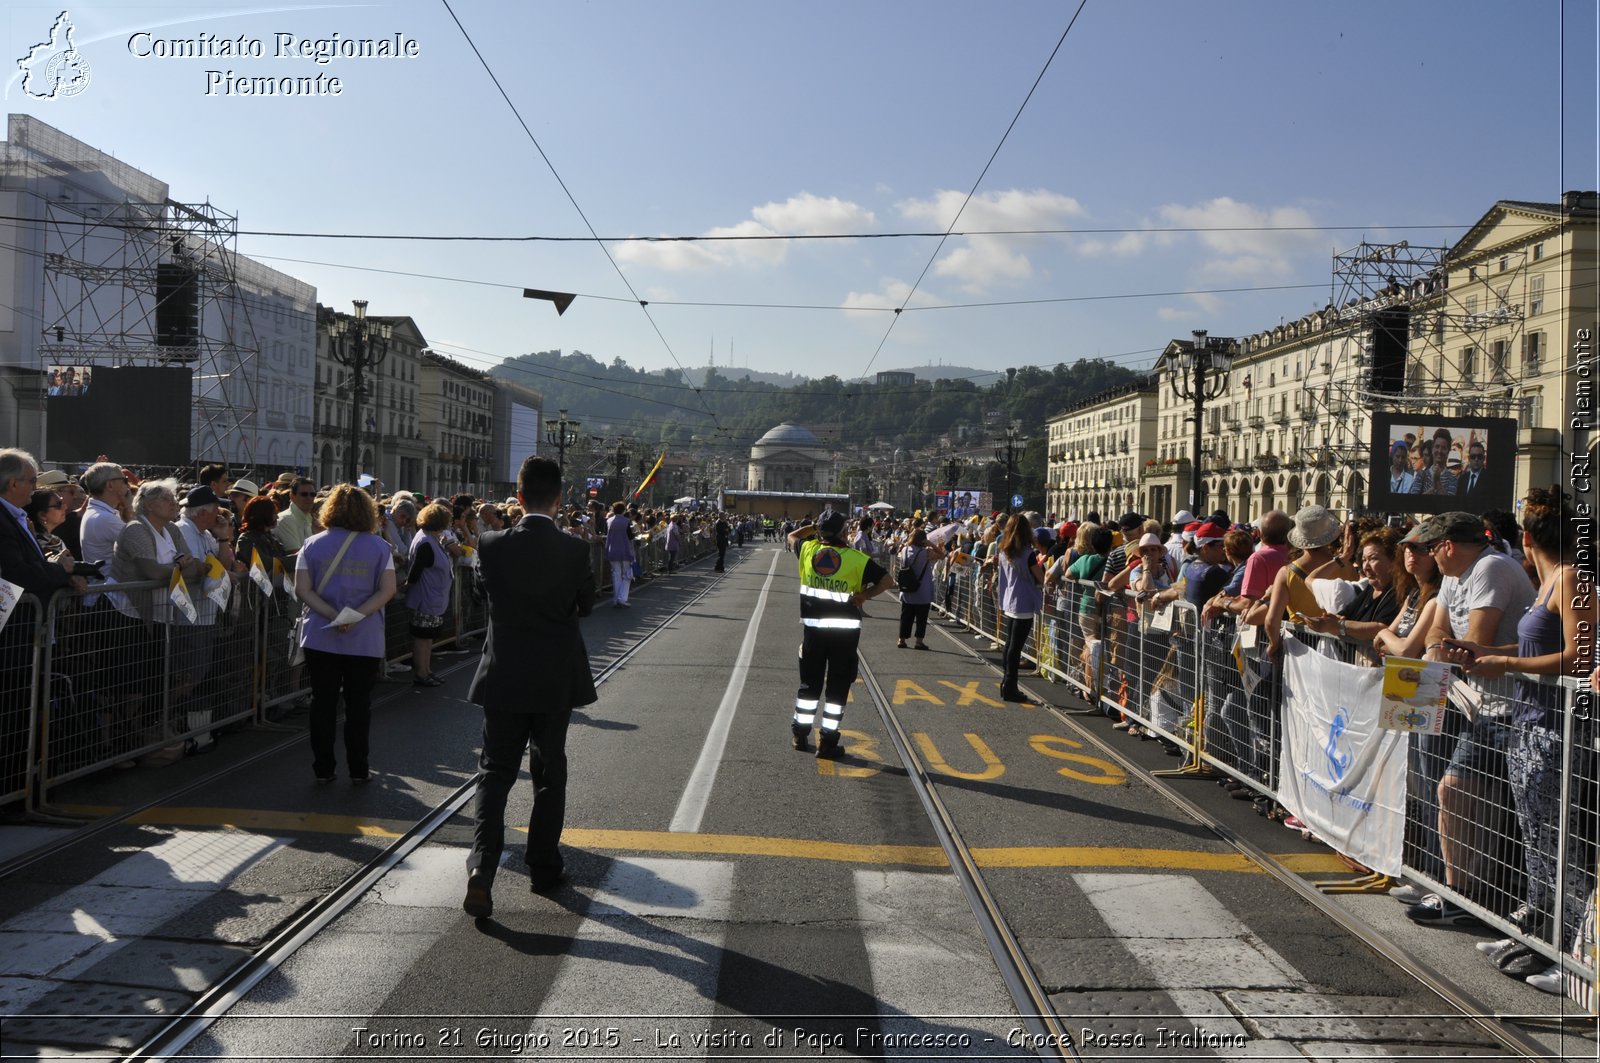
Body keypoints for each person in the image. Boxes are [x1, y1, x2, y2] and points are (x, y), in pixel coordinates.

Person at [1457, 489, 1596, 989]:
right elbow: (1540, 644)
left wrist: (1509, 662)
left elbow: (1579, 660)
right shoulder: (1548, 582)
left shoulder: (1571, 579)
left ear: (1527, 536)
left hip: (1557, 729)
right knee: (1536, 836)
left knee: (1559, 842)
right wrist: (1487, 651)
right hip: (1530, 721)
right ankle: (1538, 934)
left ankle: (1577, 959)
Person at [462, 457, 596, 918]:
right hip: (555, 679)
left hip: (503, 675)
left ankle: (482, 869)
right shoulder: (576, 551)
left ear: (518, 497)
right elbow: (587, 605)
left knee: (494, 773)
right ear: (558, 500)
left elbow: (482, 594)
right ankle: (543, 864)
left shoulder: (491, 544)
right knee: (549, 770)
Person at [1408, 511, 1537, 926]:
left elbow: (1476, 644)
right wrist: (1441, 647)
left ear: (1447, 546)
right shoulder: (1452, 576)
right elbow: (1436, 634)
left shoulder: (1491, 567)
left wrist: (1444, 647)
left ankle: (1474, 896)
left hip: (1508, 707)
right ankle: (1457, 890)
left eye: (1431, 548)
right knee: (1448, 788)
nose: (1429, 557)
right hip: (1473, 702)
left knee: (1466, 795)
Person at [294, 484, 396, 785]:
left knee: (322, 703)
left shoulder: (311, 544)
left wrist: (332, 615)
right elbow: (388, 590)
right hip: (364, 637)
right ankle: (359, 767)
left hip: (321, 634)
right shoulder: (380, 547)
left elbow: (302, 589)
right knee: (358, 705)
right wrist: (357, 615)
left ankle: (323, 767)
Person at [788, 511, 893, 756]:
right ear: (844, 532)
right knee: (836, 689)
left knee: (809, 685)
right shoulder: (857, 559)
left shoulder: (808, 550)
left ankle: (800, 735)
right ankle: (827, 742)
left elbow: (792, 535)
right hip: (844, 636)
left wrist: (815, 526)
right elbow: (888, 581)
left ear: (820, 533)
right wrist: (864, 596)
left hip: (813, 632)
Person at [982, 512, 1046, 704]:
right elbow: (1040, 578)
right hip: (1024, 601)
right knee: (1015, 647)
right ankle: (1010, 686)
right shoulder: (1027, 554)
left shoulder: (1004, 551)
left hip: (1010, 600)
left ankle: (1006, 682)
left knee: (1010, 644)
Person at [405, 501, 454, 688]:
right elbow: (415, 573)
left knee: (428, 638)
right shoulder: (426, 542)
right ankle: (421, 673)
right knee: (422, 638)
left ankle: (427, 670)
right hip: (425, 599)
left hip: (432, 599)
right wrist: (404, 587)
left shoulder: (430, 538)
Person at [895, 527, 943, 650]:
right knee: (921, 618)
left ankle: (902, 639)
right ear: (923, 540)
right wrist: (931, 544)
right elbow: (941, 555)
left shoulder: (905, 550)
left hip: (907, 589)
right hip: (922, 590)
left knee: (906, 616)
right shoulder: (925, 553)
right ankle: (918, 641)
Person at [275, 477, 319, 555]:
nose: (309, 498)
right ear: (292, 496)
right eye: (304, 494)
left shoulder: (309, 518)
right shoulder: (286, 519)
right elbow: (296, 555)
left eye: (312, 494)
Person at [604, 501, 635, 608]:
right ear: (623, 510)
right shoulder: (626, 521)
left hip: (612, 550)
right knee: (627, 575)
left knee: (616, 575)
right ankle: (622, 598)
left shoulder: (609, 521)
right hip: (624, 550)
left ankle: (616, 599)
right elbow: (630, 536)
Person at [1411, 428, 1457, 496]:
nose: (1439, 451)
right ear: (1432, 449)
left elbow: (1449, 504)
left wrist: (1437, 482)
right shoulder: (1421, 475)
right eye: (1437, 446)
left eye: (1443, 448)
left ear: (1448, 451)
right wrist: (1432, 489)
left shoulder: (1452, 478)